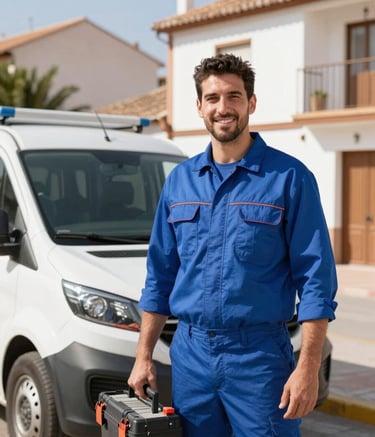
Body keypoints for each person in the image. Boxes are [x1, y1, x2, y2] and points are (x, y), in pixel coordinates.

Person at [128, 53, 337, 437]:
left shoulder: (290, 178)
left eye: (233, 96)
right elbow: (160, 276)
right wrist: (143, 356)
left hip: (258, 357)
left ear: (251, 103)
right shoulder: (179, 182)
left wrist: (306, 369)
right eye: (212, 98)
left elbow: (316, 281)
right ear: (199, 107)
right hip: (190, 355)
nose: (223, 108)